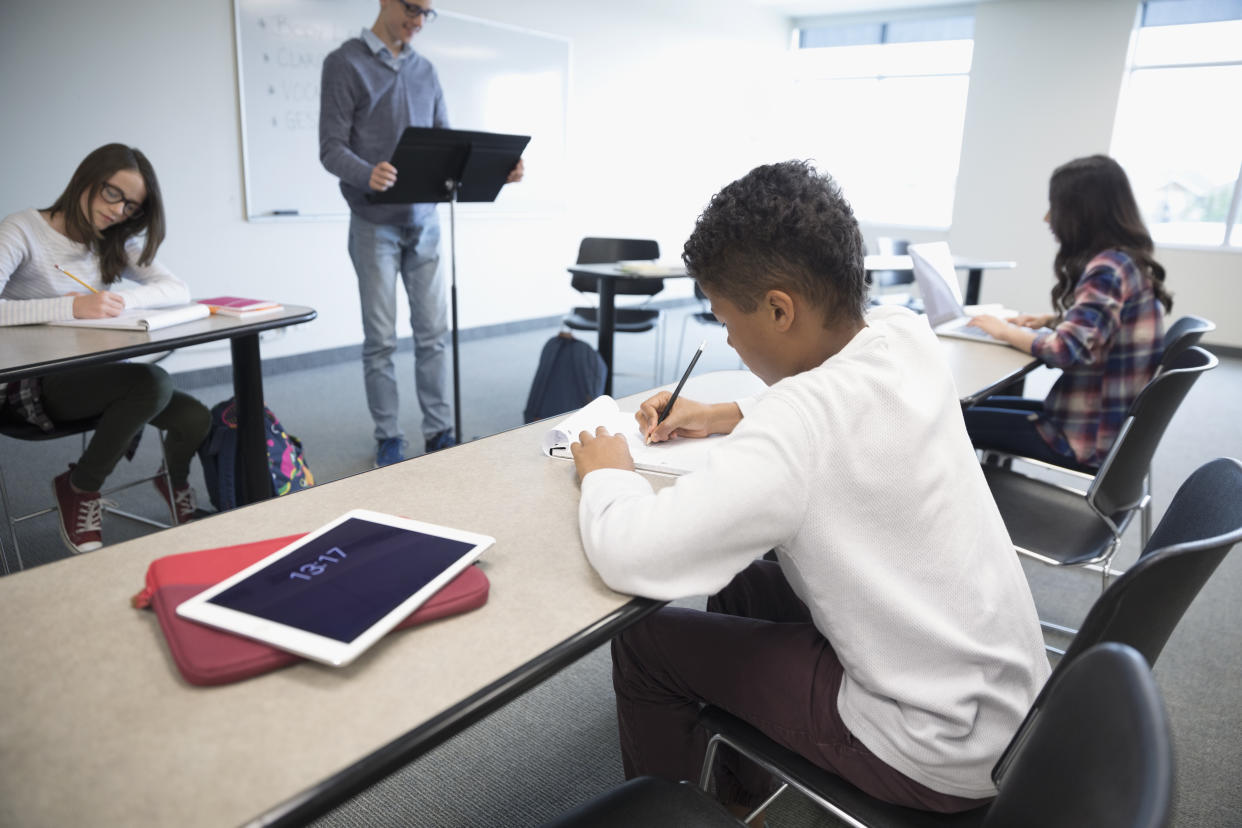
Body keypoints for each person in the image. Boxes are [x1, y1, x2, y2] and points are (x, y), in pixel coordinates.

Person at [567, 160, 1050, 818]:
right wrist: (723, 414)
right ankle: (739, 779)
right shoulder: (903, 334)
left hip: (929, 746)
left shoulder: (800, 426)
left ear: (779, 309)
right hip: (1011, 713)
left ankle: (689, 812)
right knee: (738, 577)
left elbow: (632, 553)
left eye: (728, 323)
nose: (732, 343)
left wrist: (607, 473)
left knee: (645, 643)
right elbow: (842, 410)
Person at [319, 0, 524, 468]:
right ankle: (388, 437)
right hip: (374, 226)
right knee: (381, 341)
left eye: (427, 13)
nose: (418, 20)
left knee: (432, 335)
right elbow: (331, 148)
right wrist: (365, 172)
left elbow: (446, 146)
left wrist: (495, 171)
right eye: (413, 8)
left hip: (426, 224)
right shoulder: (345, 63)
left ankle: (439, 433)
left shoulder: (426, 70)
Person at [0, 143, 211, 553]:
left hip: (94, 375)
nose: (119, 211)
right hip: (30, 384)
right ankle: (79, 487)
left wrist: (122, 302)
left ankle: (171, 482)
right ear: (87, 179)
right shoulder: (22, 229)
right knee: (151, 383)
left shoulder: (110, 240)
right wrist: (73, 306)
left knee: (194, 417)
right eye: (114, 194)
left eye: (132, 206)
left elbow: (177, 288)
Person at [963, 154, 1171, 470]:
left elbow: (1064, 351)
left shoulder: (1107, 270)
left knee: (953, 422)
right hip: (1102, 425)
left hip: (1080, 436)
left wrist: (1004, 330)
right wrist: (1052, 321)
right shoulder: (1127, 262)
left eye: (1055, 207)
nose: (1048, 218)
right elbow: (1107, 328)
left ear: (1081, 214)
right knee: (969, 409)